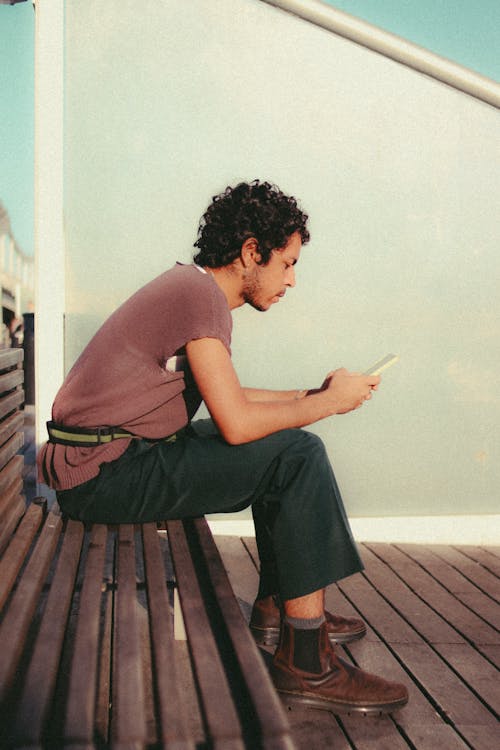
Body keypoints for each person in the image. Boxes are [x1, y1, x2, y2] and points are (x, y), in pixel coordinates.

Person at [38, 180, 408, 715]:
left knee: (284, 440)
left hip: (107, 462)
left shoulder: (190, 289)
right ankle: (307, 661)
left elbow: (225, 396)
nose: (292, 280)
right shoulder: (200, 300)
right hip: (105, 475)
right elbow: (234, 424)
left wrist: (314, 394)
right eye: (286, 263)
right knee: (296, 453)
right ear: (250, 252)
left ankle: (281, 606)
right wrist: (329, 406)